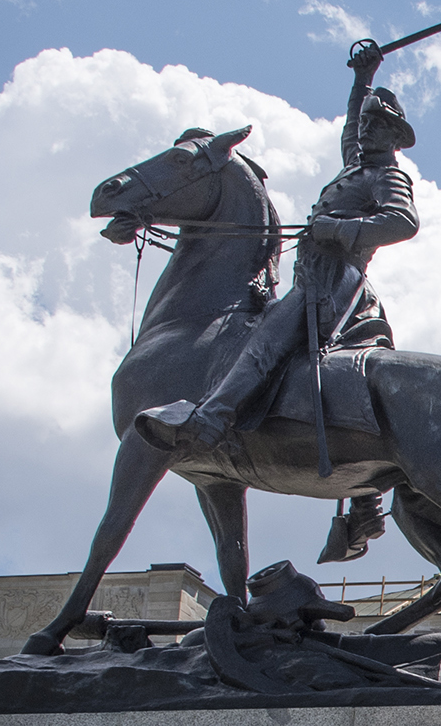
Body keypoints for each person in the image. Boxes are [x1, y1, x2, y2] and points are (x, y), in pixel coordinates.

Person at [135, 41, 417, 560]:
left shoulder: (386, 175)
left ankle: (213, 416)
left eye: (379, 126)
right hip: (316, 272)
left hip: (338, 279)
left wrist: (337, 227)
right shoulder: (356, 163)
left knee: (266, 341)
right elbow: (350, 123)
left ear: (395, 137)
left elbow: (402, 222)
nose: (368, 130)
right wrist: (363, 77)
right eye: (369, 123)